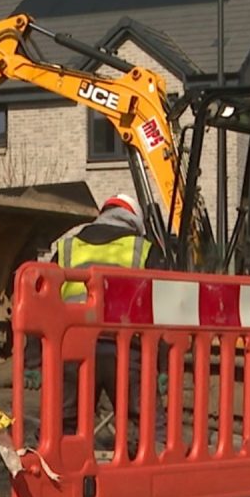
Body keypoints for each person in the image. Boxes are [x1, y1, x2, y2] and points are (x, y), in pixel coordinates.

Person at [56, 193, 166, 455]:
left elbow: (44, 300)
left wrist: (34, 360)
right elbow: (161, 308)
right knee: (151, 428)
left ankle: (62, 480)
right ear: (134, 220)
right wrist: (162, 365)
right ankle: (154, 480)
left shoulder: (67, 248)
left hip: (75, 349)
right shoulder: (144, 249)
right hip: (126, 351)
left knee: (65, 425)